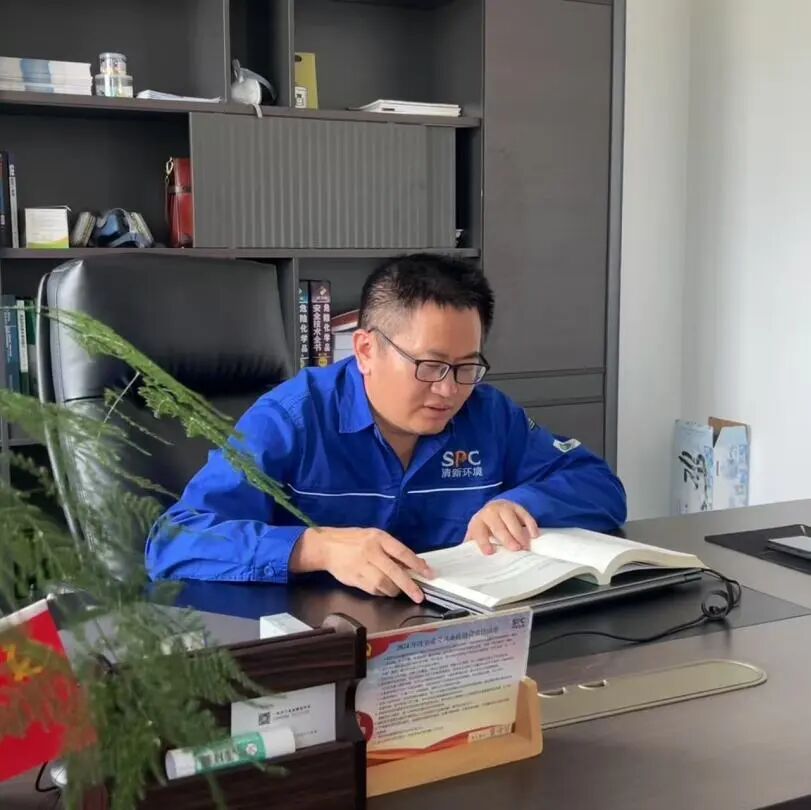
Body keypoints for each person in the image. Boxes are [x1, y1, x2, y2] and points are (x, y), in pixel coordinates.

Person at [145, 253, 627, 602]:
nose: (448, 390)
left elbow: (600, 485)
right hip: (324, 650)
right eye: (430, 365)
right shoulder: (293, 419)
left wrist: (520, 504)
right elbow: (174, 540)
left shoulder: (488, 414)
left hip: (456, 644)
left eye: (466, 366)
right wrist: (315, 548)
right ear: (365, 350)